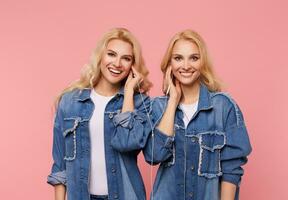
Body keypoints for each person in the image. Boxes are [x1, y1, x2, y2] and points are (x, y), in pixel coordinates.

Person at [144, 30, 252, 200]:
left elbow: (232, 168)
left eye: (193, 58)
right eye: (178, 58)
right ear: (169, 63)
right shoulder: (158, 107)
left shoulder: (223, 106)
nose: (186, 66)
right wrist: (172, 101)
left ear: (203, 62)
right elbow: (154, 156)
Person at [47, 27, 152, 200]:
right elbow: (60, 164)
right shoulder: (70, 102)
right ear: (100, 57)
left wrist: (128, 94)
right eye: (111, 54)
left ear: (133, 66)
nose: (117, 63)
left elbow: (127, 143)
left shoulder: (139, 103)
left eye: (126, 58)